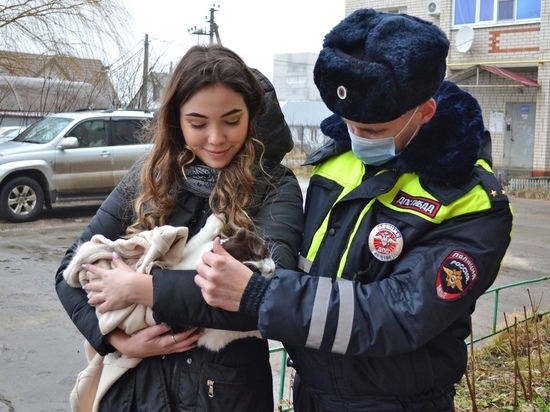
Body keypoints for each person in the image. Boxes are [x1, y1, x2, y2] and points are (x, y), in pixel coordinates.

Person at [191, 9, 514, 411]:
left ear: (425, 111)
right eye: (349, 123)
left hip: (398, 403)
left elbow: (398, 313)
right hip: (310, 392)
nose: (358, 137)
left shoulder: (471, 201)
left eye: (374, 130)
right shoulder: (336, 158)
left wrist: (262, 295)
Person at [55, 44, 304, 411]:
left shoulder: (274, 186)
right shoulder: (150, 175)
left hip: (223, 394)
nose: (216, 138)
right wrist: (117, 339)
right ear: (176, 120)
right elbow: (68, 271)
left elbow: (267, 294)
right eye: (198, 124)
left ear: (252, 116)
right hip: (134, 392)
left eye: (232, 120)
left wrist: (141, 288)